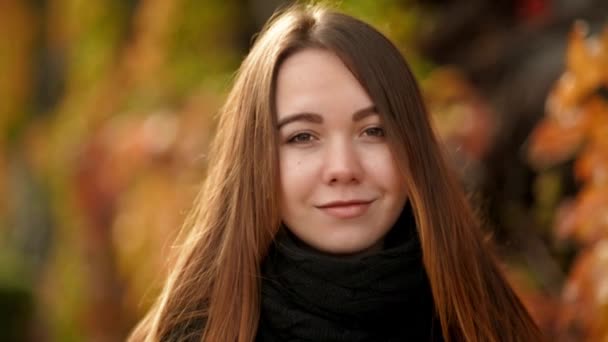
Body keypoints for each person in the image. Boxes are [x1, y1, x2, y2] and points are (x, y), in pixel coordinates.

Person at [129, 4, 542, 342]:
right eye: (303, 137)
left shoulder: (485, 323)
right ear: (254, 160)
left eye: (374, 131)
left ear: (413, 150)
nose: (343, 169)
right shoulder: (199, 333)